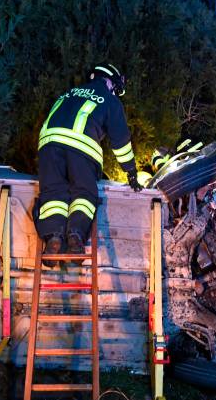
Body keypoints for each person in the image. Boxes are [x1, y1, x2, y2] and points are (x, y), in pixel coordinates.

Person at [35, 62, 142, 265]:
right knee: (84, 194)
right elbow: (120, 141)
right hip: (81, 147)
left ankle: (54, 237)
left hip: (48, 145)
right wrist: (131, 172)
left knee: (53, 194)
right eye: (116, 88)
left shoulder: (69, 93)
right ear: (110, 81)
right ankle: (75, 235)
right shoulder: (109, 99)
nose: (115, 92)